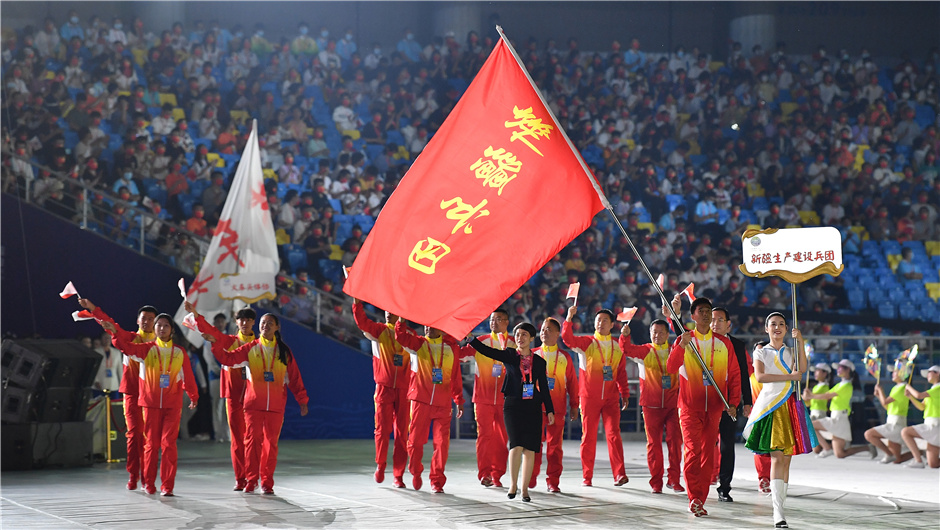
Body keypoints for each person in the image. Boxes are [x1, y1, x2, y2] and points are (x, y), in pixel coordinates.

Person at [100, 313, 199, 496]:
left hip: (172, 405)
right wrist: (114, 332)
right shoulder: (146, 349)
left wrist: (193, 395)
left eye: (166, 326)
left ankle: (167, 486)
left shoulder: (179, 352)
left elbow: (188, 376)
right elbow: (125, 347)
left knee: (169, 444)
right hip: (150, 404)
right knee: (151, 445)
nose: (162, 329)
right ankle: (149, 483)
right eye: (159, 325)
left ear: (172, 330)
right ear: (154, 329)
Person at [210, 313, 309, 495]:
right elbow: (228, 359)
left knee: (270, 444)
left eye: (270, 323)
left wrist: (302, 400)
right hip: (253, 405)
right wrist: (215, 345)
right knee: (252, 443)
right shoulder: (250, 348)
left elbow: (294, 378)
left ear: (277, 327)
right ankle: (251, 480)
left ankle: (266, 482)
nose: (266, 326)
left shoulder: (283, 352)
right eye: (263, 323)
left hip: (276, 407)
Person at [666, 297, 741, 517]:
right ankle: (694, 498)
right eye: (702, 311)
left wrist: (734, 402)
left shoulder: (723, 343)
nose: (707, 314)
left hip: (715, 408)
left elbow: (734, 375)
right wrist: (680, 346)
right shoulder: (685, 340)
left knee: (709, 454)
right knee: (692, 451)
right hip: (690, 407)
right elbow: (671, 367)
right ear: (693, 316)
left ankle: (701, 497)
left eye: (709, 311)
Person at [468, 322, 555, 502]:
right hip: (513, 405)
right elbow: (488, 351)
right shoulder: (509, 355)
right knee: (515, 445)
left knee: (530, 449)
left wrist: (550, 410)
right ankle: (513, 484)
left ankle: (524, 490)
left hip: (533, 407)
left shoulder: (539, 362)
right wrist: (471, 339)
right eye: (517, 335)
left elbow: (544, 388)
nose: (520, 338)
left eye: (524, 335)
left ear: (532, 338)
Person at [743, 312, 813, 529]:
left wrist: (800, 341)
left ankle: (781, 504)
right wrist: (789, 377)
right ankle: (777, 511)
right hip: (771, 406)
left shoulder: (791, 351)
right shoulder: (761, 351)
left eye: (781, 324)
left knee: (787, 459)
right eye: (773, 324)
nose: (777, 327)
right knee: (776, 457)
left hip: (790, 406)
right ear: (766, 328)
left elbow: (802, 369)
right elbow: (761, 377)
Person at [79, 298, 155, 491]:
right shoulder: (128, 338)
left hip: (153, 395)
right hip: (131, 393)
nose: (146, 322)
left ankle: (148, 477)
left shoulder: (159, 344)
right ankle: (133, 475)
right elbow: (110, 324)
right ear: (138, 320)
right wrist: (93, 309)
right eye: (143, 318)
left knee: (150, 438)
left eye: (150, 319)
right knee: (133, 435)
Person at [187, 301, 256, 491]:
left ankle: (253, 477)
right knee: (237, 440)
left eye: (248, 320)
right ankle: (240, 478)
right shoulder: (229, 341)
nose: (244, 323)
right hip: (234, 397)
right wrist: (194, 313)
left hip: (254, 397)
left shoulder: (260, 344)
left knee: (253, 439)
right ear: (236, 322)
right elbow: (210, 331)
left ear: (253, 323)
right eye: (241, 320)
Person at [561, 305, 630, 487]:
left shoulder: (617, 347)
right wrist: (569, 318)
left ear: (612, 324)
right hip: (589, 397)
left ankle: (619, 474)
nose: (600, 323)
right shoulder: (587, 343)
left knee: (614, 435)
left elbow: (621, 373)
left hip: (610, 398)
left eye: (605, 320)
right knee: (589, 436)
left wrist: (625, 392)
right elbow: (567, 339)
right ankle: (587, 476)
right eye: (598, 320)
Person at [394, 321, 464, 493]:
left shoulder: (451, 348)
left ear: (441, 328)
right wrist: (401, 321)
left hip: (443, 403)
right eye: (426, 325)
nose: (427, 328)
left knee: (442, 445)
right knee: (416, 442)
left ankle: (437, 481)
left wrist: (459, 400)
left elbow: (455, 376)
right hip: (420, 402)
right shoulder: (418, 344)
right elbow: (400, 337)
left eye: (432, 325)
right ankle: (415, 471)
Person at [619, 319, 683, 494]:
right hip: (650, 406)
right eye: (654, 332)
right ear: (650, 333)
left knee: (675, 443)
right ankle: (656, 482)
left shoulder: (675, 351)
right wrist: (625, 337)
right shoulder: (645, 351)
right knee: (653, 445)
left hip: (673, 406)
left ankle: (674, 479)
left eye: (661, 332)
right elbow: (626, 350)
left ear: (667, 334)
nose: (657, 335)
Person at [352, 298, 410, 488]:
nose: (387, 313)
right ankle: (380, 465)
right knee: (381, 430)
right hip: (383, 388)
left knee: (402, 434)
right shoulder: (379, 331)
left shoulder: (410, 337)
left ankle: (398, 475)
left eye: (392, 311)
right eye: (386, 310)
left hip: (404, 390)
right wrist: (356, 303)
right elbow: (362, 323)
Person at [464, 309, 514, 488]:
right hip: (483, 399)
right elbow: (461, 355)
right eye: (492, 319)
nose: (494, 322)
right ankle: (484, 474)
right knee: (484, 436)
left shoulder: (514, 344)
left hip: (506, 400)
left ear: (507, 322)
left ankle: (497, 474)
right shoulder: (481, 342)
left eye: (499, 319)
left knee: (502, 438)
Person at [529, 317, 578, 493]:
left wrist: (574, 404)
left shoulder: (565, 357)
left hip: (557, 409)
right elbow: (525, 381)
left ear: (557, 334)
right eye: (542, 329)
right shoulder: (532, 354)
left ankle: (553, 481)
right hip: (534, 408)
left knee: (555, 447)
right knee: (534, 444)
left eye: (549, 329)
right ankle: (531, 476)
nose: (544, 332)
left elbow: (572, 383)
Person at [709, 306, 753, 502]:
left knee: (727, 446)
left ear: (728, 325)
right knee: (705, 445)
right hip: (706, 403)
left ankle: (724, 487)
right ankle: (699, 484)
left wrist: (747, 401)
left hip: (730, 404)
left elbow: (743, 375)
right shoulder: (700, 343)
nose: (714, 324)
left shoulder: (737, 345)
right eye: (711, 320)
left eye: (719, 320)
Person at [806, 359, 876, 459]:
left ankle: (827, 448)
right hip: (835, 418)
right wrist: (810, 395)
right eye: (838, 367)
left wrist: (810, 395)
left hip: (840, 419)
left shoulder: (847, 385)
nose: (838, 369)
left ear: (848, 370)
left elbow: (827, 396)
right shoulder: (839, 385)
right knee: (840, 454)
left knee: (811, 426)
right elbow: (825, 395)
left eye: (841, 367)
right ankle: (866, 447)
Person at [865, 363, 912, 464]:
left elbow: (885, 402)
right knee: (897, 459)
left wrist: (880, 391)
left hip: (895, 424)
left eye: (895, 372)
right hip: (894, 421)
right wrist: (878, 395)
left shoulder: (901, 388)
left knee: (869, 434)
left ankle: (889, 454)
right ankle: (921, 452)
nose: (893, 373)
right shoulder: (897, 387)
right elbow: (888, 407)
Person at [901, 365, 940, 468]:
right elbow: (922, 407)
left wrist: (908, 386)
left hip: (934, 425)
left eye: (930, 372)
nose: (927, 375)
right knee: (933, 464)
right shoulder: (933, 390)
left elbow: (918, 395)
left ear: (938, 374)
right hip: (932, 426)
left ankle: (918, 460)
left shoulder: (938, 388)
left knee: (905, 432)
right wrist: (910, 396)